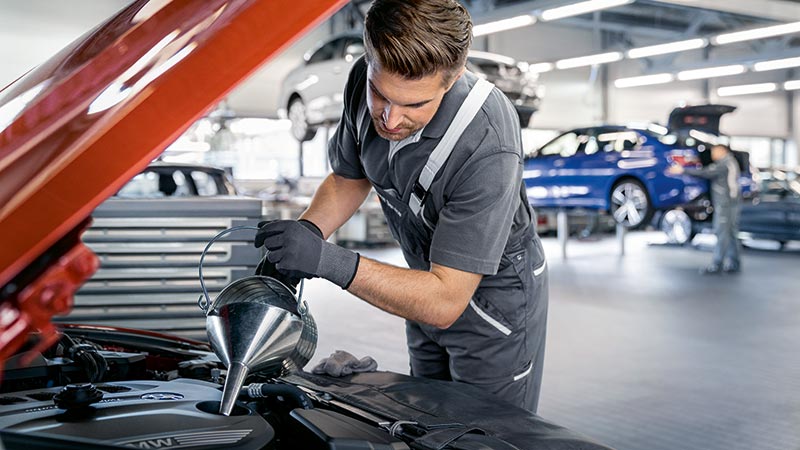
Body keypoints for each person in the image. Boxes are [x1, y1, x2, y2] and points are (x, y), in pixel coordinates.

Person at [254, 0, 548, 412]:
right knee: (425, 414)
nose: (390, 120)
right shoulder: (361, 79)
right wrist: (309, 230)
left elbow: (444, 302)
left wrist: (326, 259)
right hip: (421, 281)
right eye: (381, 94)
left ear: (453, 79)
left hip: (492, 303)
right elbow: (350, 176)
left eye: (414, 105)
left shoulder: (487, 142)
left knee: (484, 429)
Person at [668, 144, 741, 274]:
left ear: (722, 151)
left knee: (722, 232)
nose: (712, 155)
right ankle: (734, 263)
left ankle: (716, 264)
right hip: (730, 202)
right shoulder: (730, 162)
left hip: (725, 204)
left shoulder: (724, 164)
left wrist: (683, 170)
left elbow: (705, 172)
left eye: (714, 152)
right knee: (730, 232)